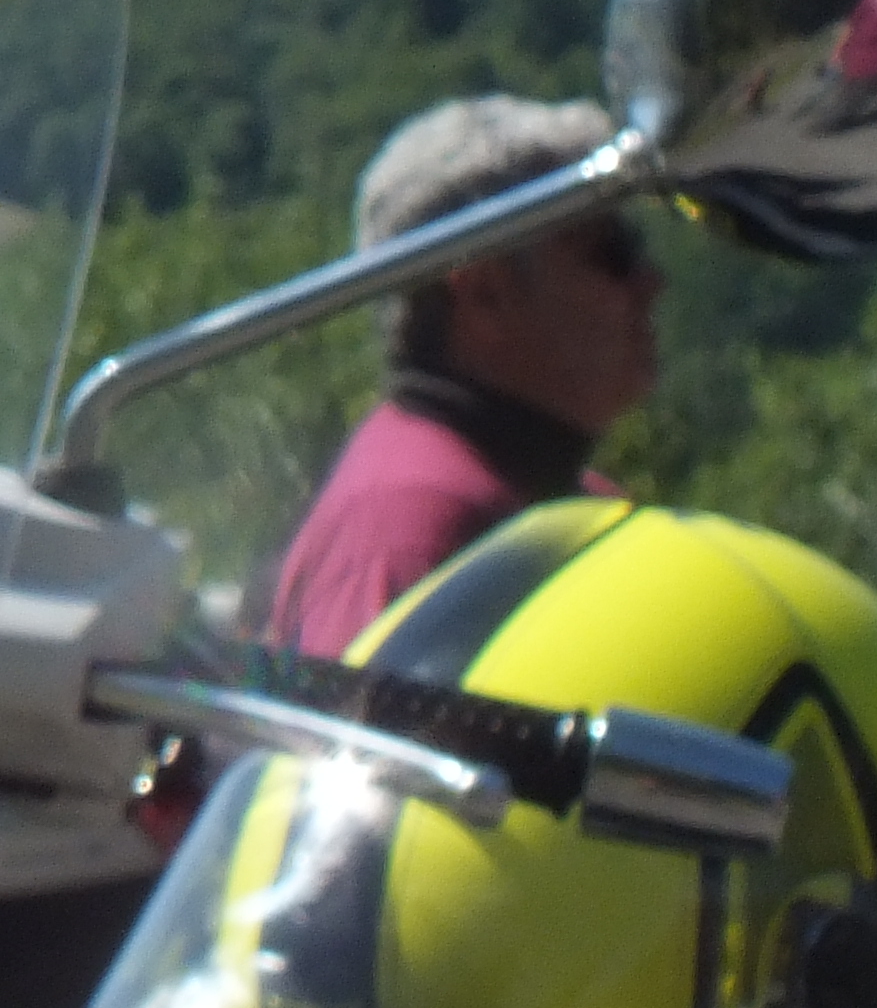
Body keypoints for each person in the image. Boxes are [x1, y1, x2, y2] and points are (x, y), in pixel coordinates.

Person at [263, 93, 661, 658]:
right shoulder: (405, 526)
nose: (651, 282)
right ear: (484, 294)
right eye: (612, 253)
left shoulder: (555, 497)